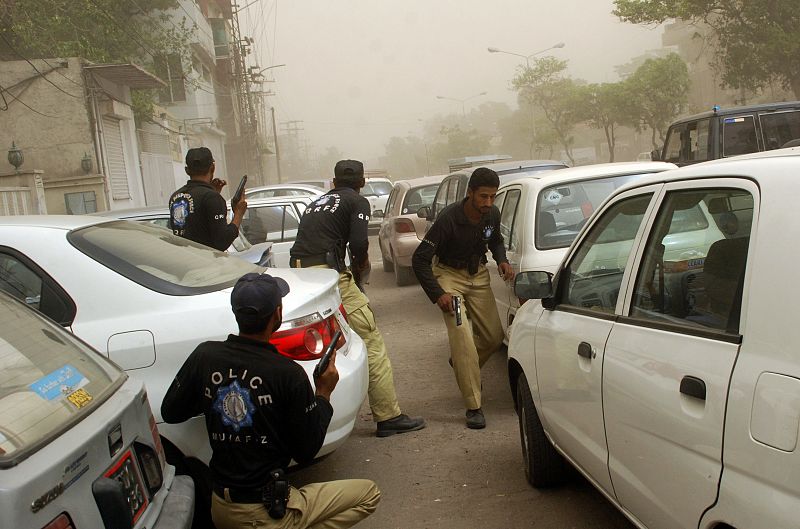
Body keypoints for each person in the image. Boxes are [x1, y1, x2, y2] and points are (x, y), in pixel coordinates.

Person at [161, 272, 380, 529]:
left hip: (219, 504)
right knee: (368, 494)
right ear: (277, 314)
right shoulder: (286, 373)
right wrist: (323, 392)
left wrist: (213, 393)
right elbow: (306, 451)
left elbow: (171, 412)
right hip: (262, 512)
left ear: (236, 313)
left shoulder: (204, 356)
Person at [289, 159, 425, 438]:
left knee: (324, 345)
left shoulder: (317, 202)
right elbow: (360, 243)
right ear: (362, 182)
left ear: (334, 181)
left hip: (302, 275)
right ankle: (388, 416)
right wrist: (360, 269)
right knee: (370, 338)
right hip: (329, 276)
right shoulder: (356, 202)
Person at [411, 167, 515, 429]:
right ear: (470, 194)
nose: (488, 203)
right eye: (483, 197)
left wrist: (501, 260)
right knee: (462, 336)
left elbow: (497, 241)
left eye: (492, 197)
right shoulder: (447, 219)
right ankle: (473, 406)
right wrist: (438, 294)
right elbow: (420, 259)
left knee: (493, 336)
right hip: (449, 277)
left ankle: (461, 362)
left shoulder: (491, 213)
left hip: (477, 275)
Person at [169, 147, 247, 251]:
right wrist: (238, 214)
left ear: (187, 170)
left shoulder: (176, 197)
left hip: (185, 263)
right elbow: (222, 242)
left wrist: (212, 194)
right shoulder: (212, 198)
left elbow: (196, 224)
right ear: (213, 167)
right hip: (208, 264)